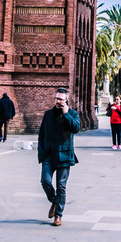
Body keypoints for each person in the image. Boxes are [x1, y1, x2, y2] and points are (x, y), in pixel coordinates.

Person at [38, 87, 80, 228]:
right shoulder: (48, 114)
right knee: (45, 181)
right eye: (56, 98)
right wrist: (41, 152)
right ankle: (55, 201)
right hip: (49, 154)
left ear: (66, 100)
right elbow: (41, 134)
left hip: (64, 155)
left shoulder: (72, 114)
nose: (58, 101)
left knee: (61, 186)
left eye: (61, 99)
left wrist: (66, 113)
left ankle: (58, 215)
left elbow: (76, 129)